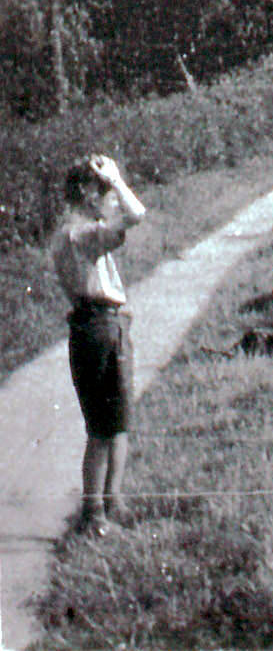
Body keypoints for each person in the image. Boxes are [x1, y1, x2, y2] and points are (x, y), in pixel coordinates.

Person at [50, 154, 147, 537]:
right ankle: (96, 514)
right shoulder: (81, 233)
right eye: (103, 190)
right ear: (87, 194)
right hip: (101, 324)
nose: (109, 197)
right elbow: (137, 214)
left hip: (96, 324)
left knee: (115, 420)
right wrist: (119, 179)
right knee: (105, 426)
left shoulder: (68, 232)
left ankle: (110, 505)